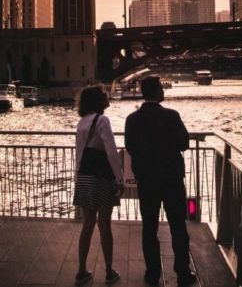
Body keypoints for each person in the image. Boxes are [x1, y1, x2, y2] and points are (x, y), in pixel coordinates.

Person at [124, 75, 197, 287]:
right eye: (161, 89)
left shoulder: (132, 119)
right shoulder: (172, 116)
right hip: (171, 178)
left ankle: (153, 272)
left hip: (147, 180)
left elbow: (130, 147)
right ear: (156, 91)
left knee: (149, 227)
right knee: (178, 226)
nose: (164, 91)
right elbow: (184, 143)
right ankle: (182, 272)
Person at [73, 85, 124, 285]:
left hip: (84, 178)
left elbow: (80, 155)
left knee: (87, 225)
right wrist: (119, 179)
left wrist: (78, 178)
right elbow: (111, 151)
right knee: (105, 226)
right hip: (101, 179)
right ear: (97, 101)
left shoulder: (81, 122)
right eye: (104, 96)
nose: (107, 97)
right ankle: (109, 271)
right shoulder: (102, 121)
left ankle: (81, 270)